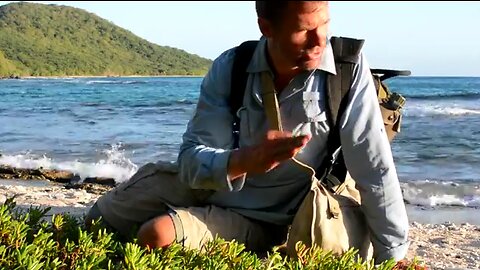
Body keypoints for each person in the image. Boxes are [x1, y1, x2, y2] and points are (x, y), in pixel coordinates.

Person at [85, 0, 409, 263]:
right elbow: (191, 161)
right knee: (96, 221)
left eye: (324, 24)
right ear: (266, 28)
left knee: (156, 235)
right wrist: (245, 160)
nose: (318, 41)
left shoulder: (347, 71)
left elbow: (373, 167)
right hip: (216, 192)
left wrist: (393, 256)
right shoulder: (231, 67)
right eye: (303, 29)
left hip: (289, 219)